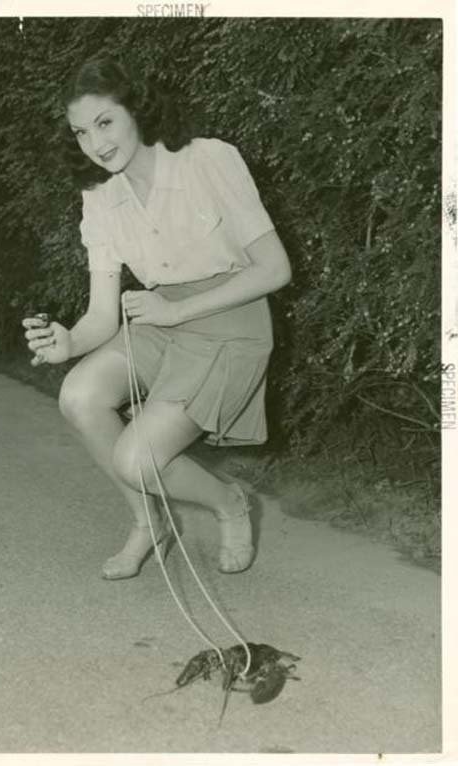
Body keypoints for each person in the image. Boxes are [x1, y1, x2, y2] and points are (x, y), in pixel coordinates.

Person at [23, 55, 291, 580]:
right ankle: (149, 521)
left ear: (136, 110)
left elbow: (275, 269)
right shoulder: (99, 197)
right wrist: (68, 343)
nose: (96, 144)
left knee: (139, 460)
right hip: (161, 320)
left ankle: (229, 502)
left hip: (229, 323)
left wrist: (177, 310)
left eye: (105, 122)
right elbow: (102, 315)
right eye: (81, 132)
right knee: (78, 395)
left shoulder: (206, 160)